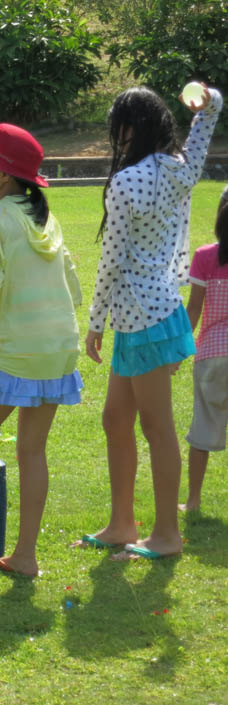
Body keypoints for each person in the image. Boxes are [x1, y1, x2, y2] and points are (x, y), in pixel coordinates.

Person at [77, 83, 223, 560]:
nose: (115, 138)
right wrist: (208, 102)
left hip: (142, 318)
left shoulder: (127, 181)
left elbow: (112, 261)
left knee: (156, 428)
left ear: (129, 129)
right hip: (150, 313)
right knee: (115, 420)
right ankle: (122, 524)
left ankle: (166, 536)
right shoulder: (179, 170)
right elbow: (205, 130)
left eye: (118, 128)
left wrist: (95, 321)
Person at [0, 124, 83, 579]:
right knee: (33, 450)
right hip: (61, 346)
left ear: (3, 174)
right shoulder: (45, 218)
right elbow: (73, 285)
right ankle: (25, 556)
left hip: (19, 351)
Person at [180, 185, 228, 512]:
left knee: (203, 431)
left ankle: (193, 501)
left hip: (213, 355)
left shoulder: (205, 256)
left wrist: (177, 351)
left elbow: (194, 310)